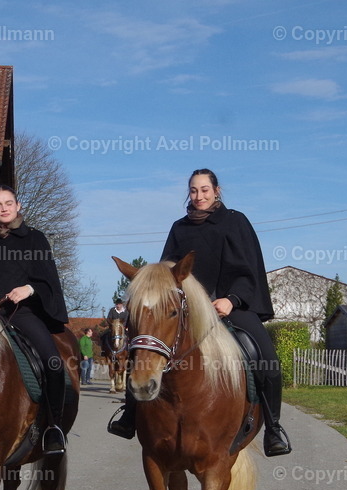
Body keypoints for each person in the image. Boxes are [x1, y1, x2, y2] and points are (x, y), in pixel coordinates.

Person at [108, 168, 292, 456]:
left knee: (266, 358)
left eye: (204, 190)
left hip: (229, 306)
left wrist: (231, 299)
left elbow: (248, 269)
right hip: (186, 309)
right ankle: (130, 416)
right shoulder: (179, 228)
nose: (199, 196)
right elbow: (165, 272)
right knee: (145, 346)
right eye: (194, 190)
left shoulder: (235, 222)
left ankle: (274, 428)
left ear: (216, 190)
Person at [0, 184, 70, 453]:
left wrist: (29, 289)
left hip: (24, 315)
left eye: (8, 203)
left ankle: (53, 427)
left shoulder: (36, 239)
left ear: (18, 206)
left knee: (53, 362)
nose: (4, 208)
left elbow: (50, 282)